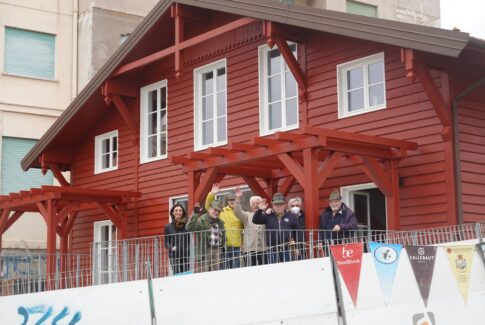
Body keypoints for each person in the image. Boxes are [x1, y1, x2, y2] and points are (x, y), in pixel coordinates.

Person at [253, 193, 300, 264]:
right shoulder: (268, 215)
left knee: (288, 270)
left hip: (287, 249)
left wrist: (297, 247)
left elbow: (298, 232)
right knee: (273, 272)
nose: (278, 206)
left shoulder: (292, 216)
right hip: (272, 250)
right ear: (272, 205)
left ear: (284, 204)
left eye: (281, 204)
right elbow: (255, 220)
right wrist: (260, 210)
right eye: (276, 204)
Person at [205, 183, 243, 269]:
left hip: (237, 246)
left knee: (236, 270)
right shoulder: (222, 211)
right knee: (224, 270)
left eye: (234, 199)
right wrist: (212, 194)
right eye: (230, 200)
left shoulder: (240, 212)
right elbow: (208, 206)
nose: (232, 201)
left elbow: (244, 228)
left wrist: (243, 244)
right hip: (225, 246)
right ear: (227, 201)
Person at [186, 200, 225, 272]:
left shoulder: (220, 222)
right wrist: (195, 214)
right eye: (215, 210)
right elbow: (189, 227)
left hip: (217, 250)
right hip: (205, 251)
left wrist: (222, 246)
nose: (217, 212)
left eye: (219, 211)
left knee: (216, 275)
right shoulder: (202, 220)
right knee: (203, 274)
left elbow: (223, 236)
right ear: (209, 209)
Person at [233, 187, 266, 267]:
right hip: (249, 250)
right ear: (250, 206)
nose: (255, 205)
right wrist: (237, 199)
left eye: (257, 203)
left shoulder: (266, 215)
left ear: (261, 204)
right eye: (253, 204)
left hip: (263, 249)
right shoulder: (247, 215)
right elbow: (237, 212)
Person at [164, 203, 191, 274]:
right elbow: (166, 242)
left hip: (185, 255)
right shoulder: (168, 227)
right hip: (174, 255)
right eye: (176, 210)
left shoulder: (186, 225)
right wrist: (171, 248)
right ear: (173, 213)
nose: (178, 212)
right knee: (176, 275)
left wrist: (188, 249)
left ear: (182, 213)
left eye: (180, 210)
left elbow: (189, 240)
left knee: (186, 275)